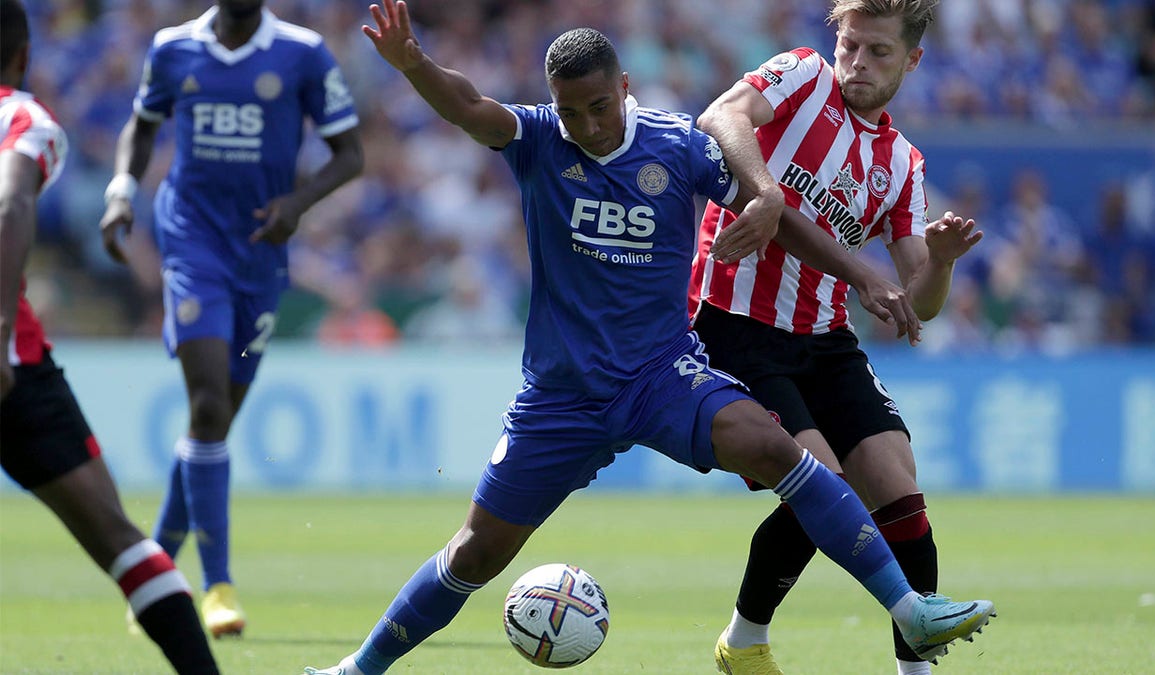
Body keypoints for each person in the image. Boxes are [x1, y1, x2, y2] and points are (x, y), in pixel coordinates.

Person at [304, 2, 993, 673]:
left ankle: (907, 609)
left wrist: (826, 247)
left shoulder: (677, 146)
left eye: (598, 106)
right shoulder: (541, 140)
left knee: (773, 446)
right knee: (475, 554)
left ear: (624, 89)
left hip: (663, 376)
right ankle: (358, 667)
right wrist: (413, 61)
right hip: (563, 396)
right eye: (571, 110)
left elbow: (778, 221)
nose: (587, 125)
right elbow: (467, 105)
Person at [687, 2, 986, 674]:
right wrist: (764, 192)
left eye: (878, 52)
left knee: (899, 491)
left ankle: (916, 670)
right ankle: (744, 640)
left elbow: (919, 303)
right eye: (850, 46)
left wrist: (937, 262)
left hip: (823, 337)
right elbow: (720, 117)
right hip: (733, 323)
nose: (856, 64)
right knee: (824, 484)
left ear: (912, 61)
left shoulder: (902, 163)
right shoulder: (799, 76)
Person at [97, 0, 364, 638]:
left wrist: (297, 205)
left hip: (261, 251)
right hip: (190, 238)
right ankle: (216, 588)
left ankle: (152, 576)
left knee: (211, 424)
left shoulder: (302, 52)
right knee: (210, 408)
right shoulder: (172, 49)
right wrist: (121, 192)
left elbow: (350, 153)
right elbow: (143, 124)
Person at [0, 2, 221, 673]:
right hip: (13, 358)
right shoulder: (23, 118)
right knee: (117, 535)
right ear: (22, 57)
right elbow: (10, 201)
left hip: (22, 356)